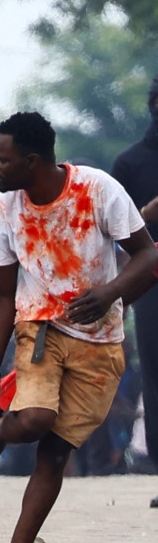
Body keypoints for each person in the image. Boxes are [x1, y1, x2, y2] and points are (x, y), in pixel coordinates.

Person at [0, 112, 157, 543]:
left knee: (55, 455)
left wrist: (109, 292)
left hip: (101, 341)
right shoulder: (2, 211)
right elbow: (2, 295)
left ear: (33, 160)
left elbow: (149, 257)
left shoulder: (99, 190)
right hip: (39, 328)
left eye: (3, 159)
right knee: (34, 419)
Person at [109, 75, 158, 506]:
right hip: (151, 284)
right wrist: (148, 212)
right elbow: (111, 232)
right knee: (156, 376)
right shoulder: (130, 163)